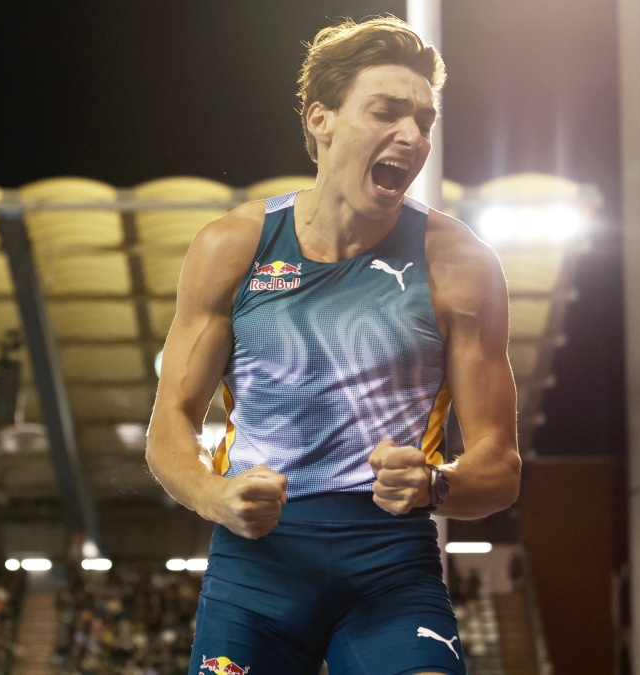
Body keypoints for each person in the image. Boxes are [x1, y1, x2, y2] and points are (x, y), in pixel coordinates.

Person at [145, 15, 520, 675]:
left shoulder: (459, 263)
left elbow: (500, 464)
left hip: (390, 567)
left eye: (424, 121)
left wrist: (437, 485)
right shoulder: (232, 247)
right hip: (255, 564)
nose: (412, 135)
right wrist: (216, 496)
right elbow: (168, 428)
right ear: (320, 120)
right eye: (387, 112)